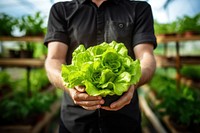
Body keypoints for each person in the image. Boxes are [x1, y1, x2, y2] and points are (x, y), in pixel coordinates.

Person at [44, 0, 157, 133]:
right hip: (75, 122)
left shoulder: (139, 8)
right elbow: (54, 59)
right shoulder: (61, 10)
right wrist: (69, 85)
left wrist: (132, 82)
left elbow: (146, 57)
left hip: (124, 122)